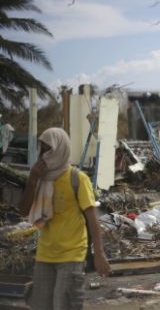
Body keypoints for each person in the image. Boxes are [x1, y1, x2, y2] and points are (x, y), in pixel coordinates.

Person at [18, 127, 110, 310]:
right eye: (41, 149)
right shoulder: (41, 178)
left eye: (48, 149)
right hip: (45, 253)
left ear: (60, 149)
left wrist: (98, 254)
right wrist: (33, 179)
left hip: (72, 253)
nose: (43, 155)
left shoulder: (77, 179)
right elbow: (23, 210)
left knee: (64, 304)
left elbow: (93, 220)